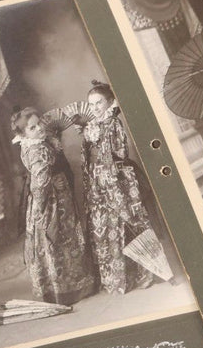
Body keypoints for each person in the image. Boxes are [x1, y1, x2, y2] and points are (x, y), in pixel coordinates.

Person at [9, 106, 99, 305]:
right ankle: (68, 290)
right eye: (32, 128)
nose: (40, 128)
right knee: (58, 236)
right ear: (23, 133)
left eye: (39, 123)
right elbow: (40, 182)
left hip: (54, 195)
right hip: (53, 200)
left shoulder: (34, 144)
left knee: (57, 239)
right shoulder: (37, 149)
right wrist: (41, 206)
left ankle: (62, 288)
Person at [78, 81, 160, 293]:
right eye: (91, 104)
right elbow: (87, 159)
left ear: (109, 102)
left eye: (99, 103)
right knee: (106, 227)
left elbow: (122, 153)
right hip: (98, 183)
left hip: (117, 180)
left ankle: (143, 273)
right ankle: (119, 277)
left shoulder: (114, 123)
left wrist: (101, 146)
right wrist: (89, 140)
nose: (95, 108)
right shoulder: (91, 127)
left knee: (128, 222)